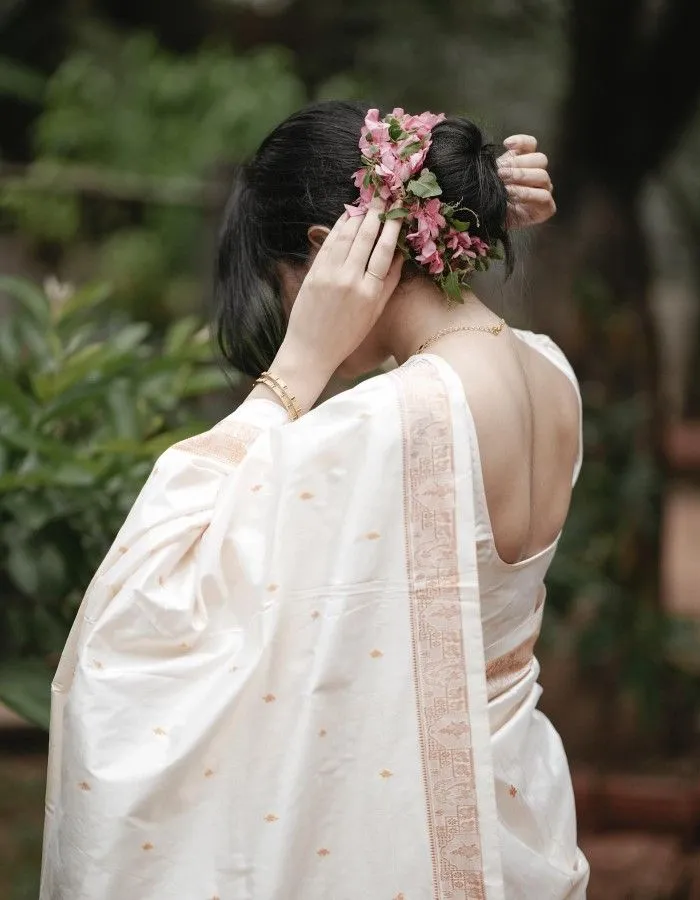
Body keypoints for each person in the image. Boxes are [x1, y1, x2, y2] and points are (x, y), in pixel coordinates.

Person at [40, 101, 589, 899]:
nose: (294, 309)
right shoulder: (551, 371)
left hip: (420, 836)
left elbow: (152, 607)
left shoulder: (396, 420)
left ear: (329, 254)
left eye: (285, 287)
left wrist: (294, 368)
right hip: (514, 801)